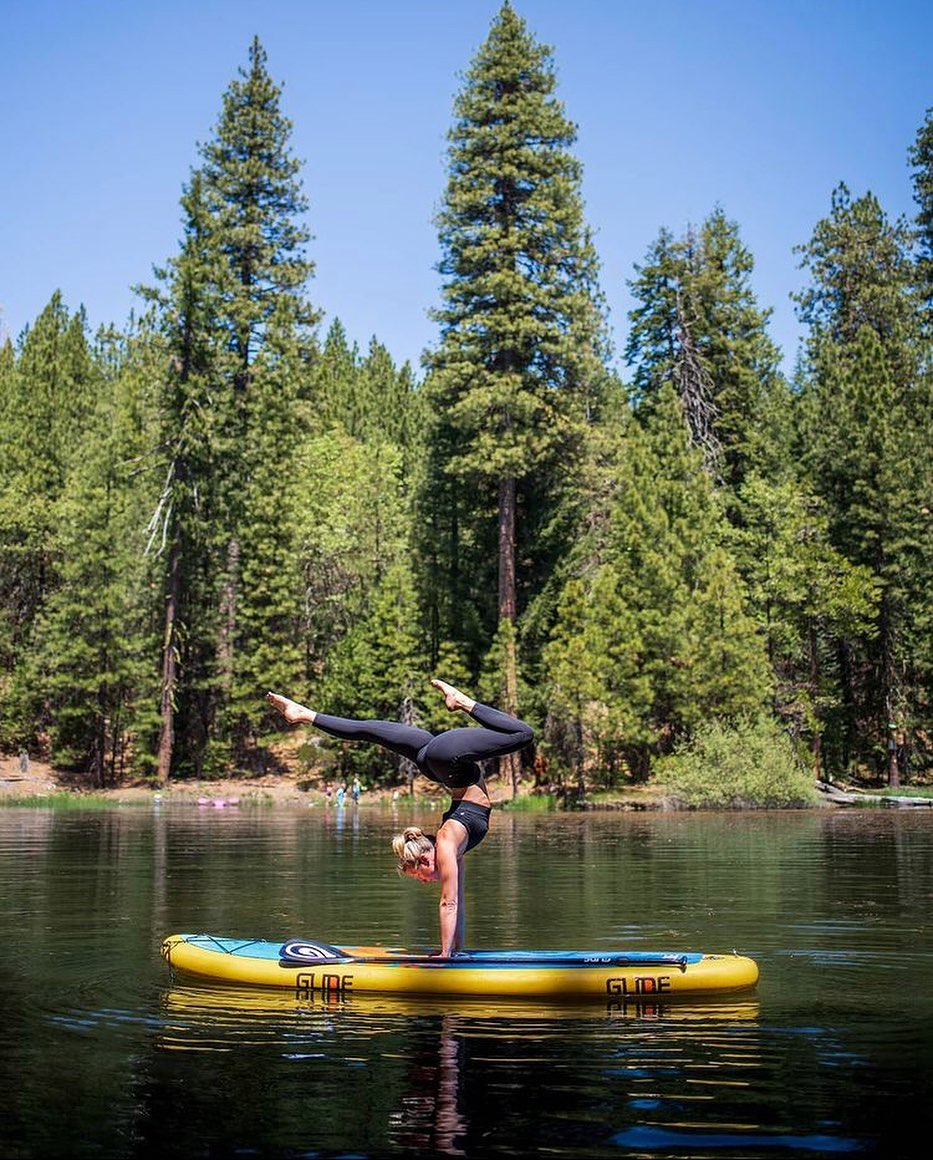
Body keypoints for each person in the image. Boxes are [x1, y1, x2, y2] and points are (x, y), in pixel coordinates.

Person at [265, 678, 534, 957]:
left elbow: (448, 904)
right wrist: (453, 953)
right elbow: (457, 903)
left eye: (419, 874)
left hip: (448, 759)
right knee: (369, 730)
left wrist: (444, 956)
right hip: (437, 760)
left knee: (523, 734)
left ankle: (461, 701)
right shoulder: (451, 846)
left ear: (425, 859)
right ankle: (303, 714)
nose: (423, 881)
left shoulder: (446, 843)